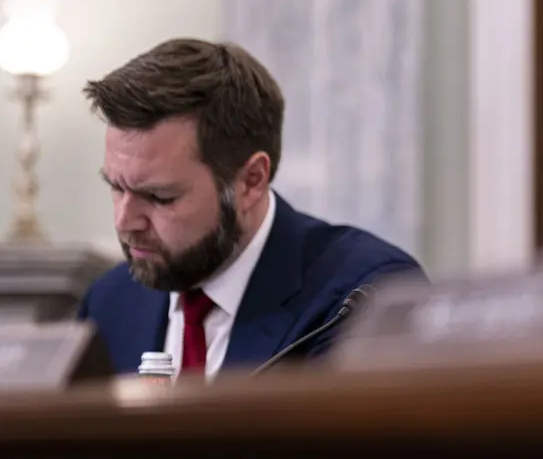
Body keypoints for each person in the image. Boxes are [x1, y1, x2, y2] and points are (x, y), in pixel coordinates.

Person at [77, 38, 427, 377]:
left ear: (251, 181)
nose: (126, 221)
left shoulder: (365, 296)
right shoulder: (109, 303)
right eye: (115, 187)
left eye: (159, 197)